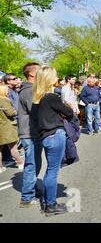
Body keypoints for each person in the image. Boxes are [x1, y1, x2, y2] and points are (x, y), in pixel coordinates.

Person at [31, 66, 73, 216]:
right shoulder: (50, 97)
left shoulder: (38, 97)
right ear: (49, 78)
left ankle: (48, 203)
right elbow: (68, 112)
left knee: (50, 170)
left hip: (46, 136)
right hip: (55, 135)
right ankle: (51, 204)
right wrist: (66, 110)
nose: (57, 77)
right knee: (53, 171)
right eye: (55, 75)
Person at [17, 63, 43, 207]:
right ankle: (26, 197)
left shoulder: (30, 89)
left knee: (35, 163)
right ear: (32, 75)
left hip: (32, 133)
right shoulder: (29, 91)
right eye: (40, 72)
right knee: (32, 165)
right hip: (30, 133)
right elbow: (35, 112)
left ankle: (31, 189)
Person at [0, 84, 24, 173]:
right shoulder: (3, 99)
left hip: (2, 125)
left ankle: (0, 166)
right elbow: (11, 113)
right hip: (7, 126)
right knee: (13, 147)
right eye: (6, 90)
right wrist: (15, 110)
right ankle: (20, 163)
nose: (8, 91)